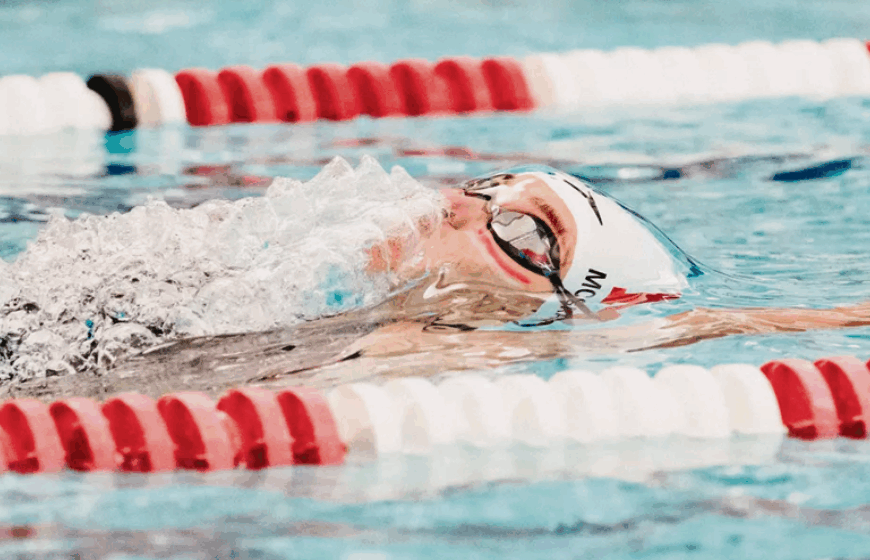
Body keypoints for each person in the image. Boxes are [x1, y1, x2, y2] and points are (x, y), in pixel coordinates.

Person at [4, 162, 870, 400]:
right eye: (489, 185)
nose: (461, 203)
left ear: (557, 299)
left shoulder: (438, 355)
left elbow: (660, 329)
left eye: (524, 228)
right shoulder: (269, 283)